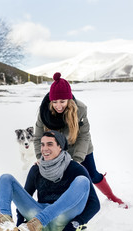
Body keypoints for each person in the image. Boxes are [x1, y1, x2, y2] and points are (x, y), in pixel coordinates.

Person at [33, 72, 128, 208]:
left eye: (62, 101)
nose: (58, 106)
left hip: (79, 145)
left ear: (69, 100)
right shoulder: (44, 113)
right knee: (60, 178)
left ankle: (111, 196)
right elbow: (37, 137)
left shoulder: (80, 109)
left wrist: (77, 159)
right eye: (55, 102)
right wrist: (39, 156)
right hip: (56, 148)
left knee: (92, 175)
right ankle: (62, 205)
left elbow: (84, 136)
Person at [0, 131, 100, 231]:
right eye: (42, 144)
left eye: (50, 144)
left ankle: (41, 220)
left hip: (63, 218)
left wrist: (76, 223)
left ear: (60, 147)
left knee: (82, 180)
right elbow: (25, 197)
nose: (45, 148)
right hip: (35, 222)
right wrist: (20, 223)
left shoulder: (75, 168)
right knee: (6, 178)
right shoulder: (36, 169)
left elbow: (94, 204)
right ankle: (5, 219)